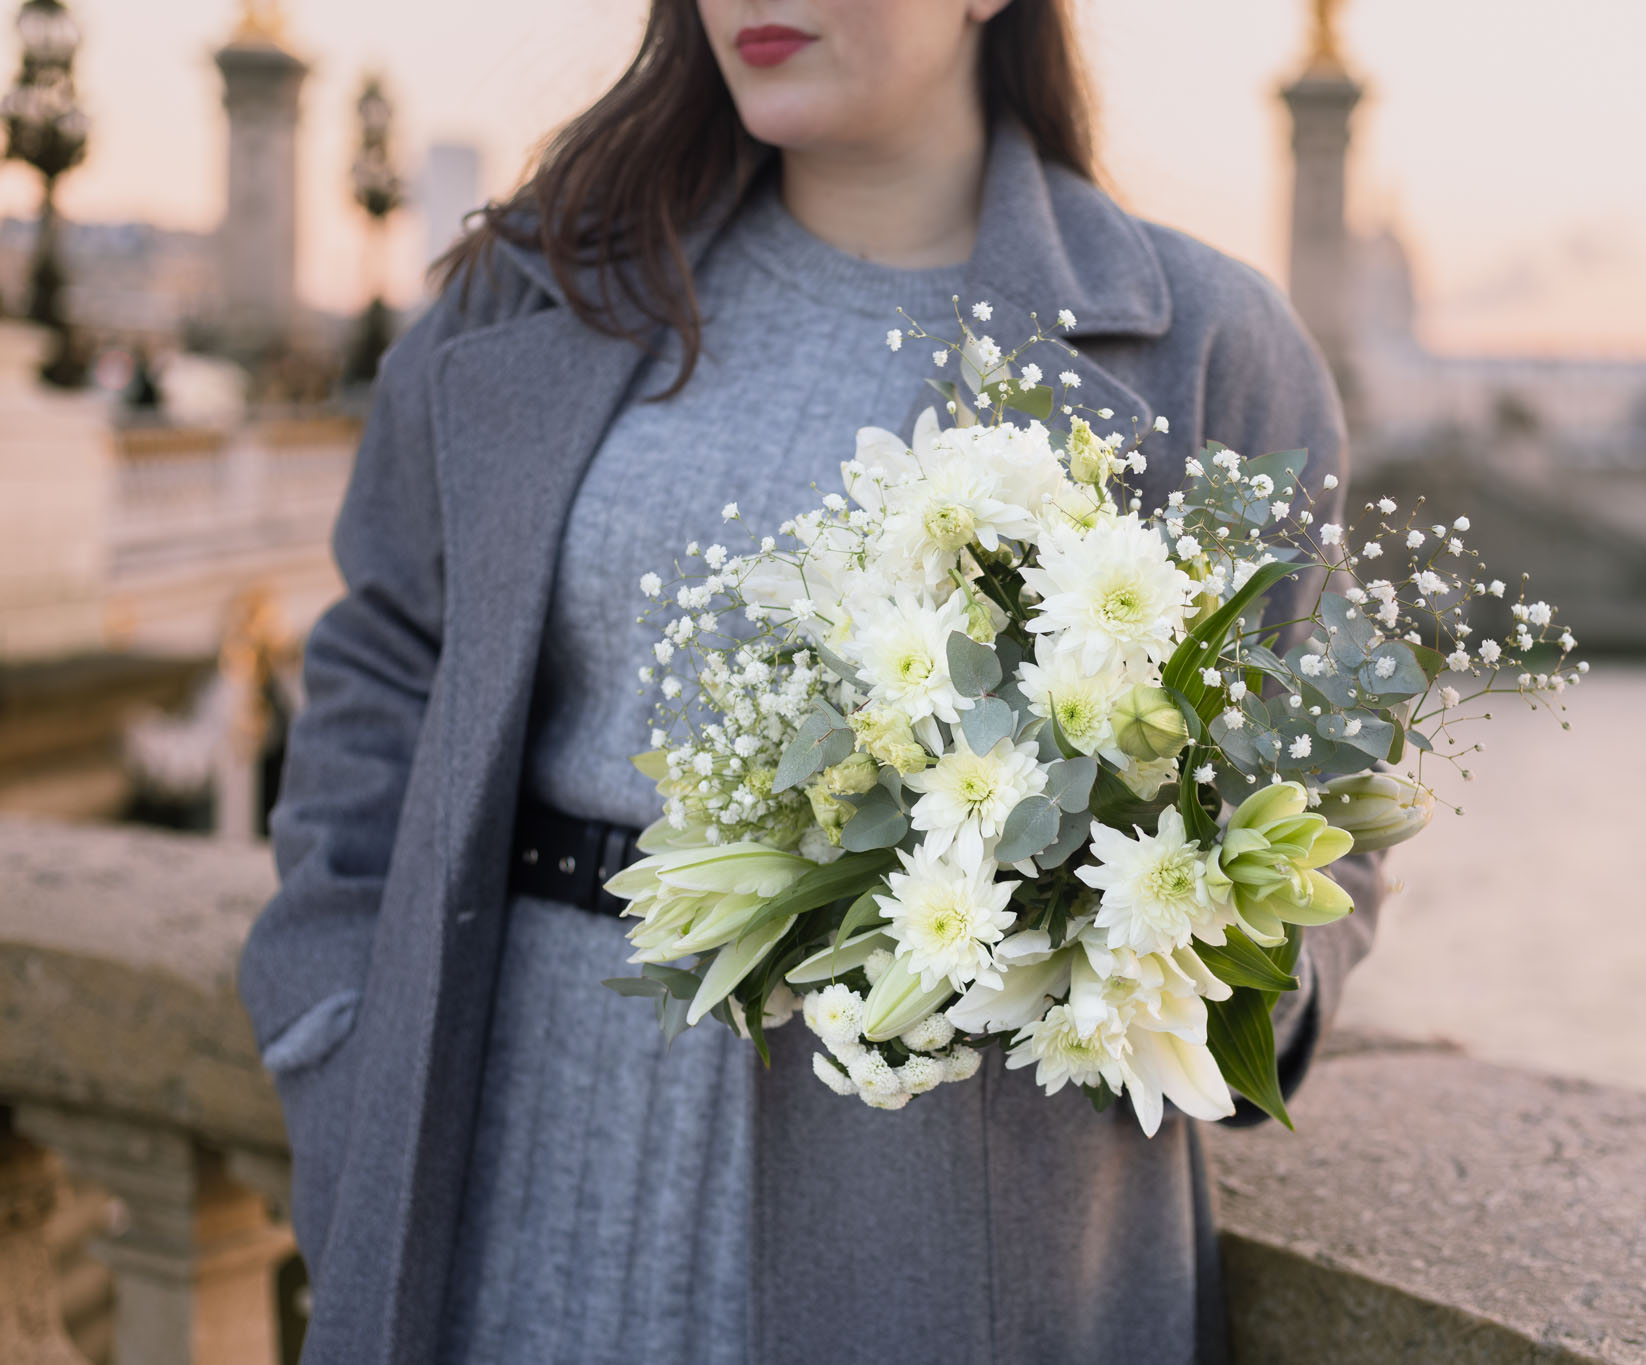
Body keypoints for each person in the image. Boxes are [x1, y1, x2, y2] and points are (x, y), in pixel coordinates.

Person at [237, 1, 1385, 1362]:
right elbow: (382, 664)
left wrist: (1176, 955)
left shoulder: (1203, 345)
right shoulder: (544, 281)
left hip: (947, 1258)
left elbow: (1318, 818)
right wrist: (334, 1039)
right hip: (485, 1188)